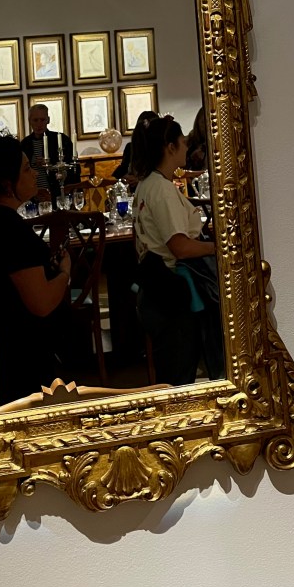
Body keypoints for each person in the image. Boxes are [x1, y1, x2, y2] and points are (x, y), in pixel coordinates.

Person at [0, 127, 72, 405]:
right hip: (21, 354)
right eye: (27, 169)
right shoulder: (10, 228)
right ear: (7, 183)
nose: (33, 174)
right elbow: (40, 302)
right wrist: (65, 272)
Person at [131, 114, 224, 385]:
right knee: (178, 379)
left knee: (174, 374)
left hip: (157, 290)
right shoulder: (161, 189)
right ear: (169, 147)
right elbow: (179, 246)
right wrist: (215, 248)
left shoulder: (148, 184)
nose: (186, 147)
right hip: (170, 294)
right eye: (182, 143)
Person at [21, 103, 79, 203]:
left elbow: (74, 168)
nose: (39, 124)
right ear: (30, 121)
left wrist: (51, 165)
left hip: (57, 194)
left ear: (48, 120)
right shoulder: (25, 144)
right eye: (35, 120)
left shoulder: (60, 140)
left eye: (42, 120)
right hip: (33, 196)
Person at [112, 110, 158, 186]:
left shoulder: (160, 147)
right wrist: (128, 178)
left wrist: (139, 180)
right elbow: (121, 171)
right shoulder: (131, 147)